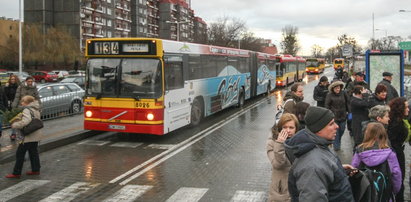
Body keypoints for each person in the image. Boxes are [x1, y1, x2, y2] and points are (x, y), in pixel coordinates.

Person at [284, 106, 354, 201]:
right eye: (331, 124)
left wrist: (337, 169)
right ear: (319, 129)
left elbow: (322, 165)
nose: (336, 126)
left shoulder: (318, 144)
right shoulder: (312, 166)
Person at [351, 122, 402, 196]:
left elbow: (353, 169)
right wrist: (394, 191)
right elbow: (396, 173)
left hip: (365, 193)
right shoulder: (390, 153)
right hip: (384, 193)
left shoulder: (360, 151)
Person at [5, 95, 43, 178]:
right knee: (33, 153)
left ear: (28, 103)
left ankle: (16, 173)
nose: (21, 103)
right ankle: (36, 170)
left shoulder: (27, 109)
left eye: (23, 101)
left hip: (28, 136)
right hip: (35, 134)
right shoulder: (36, 108)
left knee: (20, 154)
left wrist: (15, 124)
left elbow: (26, 121)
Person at [266, 113, 299, 202]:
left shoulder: (300, 142)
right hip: (281, 190)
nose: (288, 130)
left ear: (296, 129)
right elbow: (278, 164)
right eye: (285, 127)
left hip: (298, 187)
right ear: (280, 128)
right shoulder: (272, 143)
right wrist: (279, 144)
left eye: (291, 128)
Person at [387, 97, 409, 202]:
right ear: (400, 108)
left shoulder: (396, 120)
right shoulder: (397, 124)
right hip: (397, 153)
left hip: (397, 151)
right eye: (406, 107)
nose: (408, 109)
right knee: (399, 179)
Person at [325, 81, 350, 151]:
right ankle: (336, 146)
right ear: (333, 88)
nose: (337, 89)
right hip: (334, 116)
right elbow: (327, 105)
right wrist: (329, 115)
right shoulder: (329, 95)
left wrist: (350, 112)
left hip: (343, 115)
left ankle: (337, 141)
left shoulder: (344, 93)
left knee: (342, 129)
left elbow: (348, 102)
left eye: (338, 88)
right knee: (336, 131)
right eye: (336, 88)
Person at [4, 74, 21, 140]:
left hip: (18, 105)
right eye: (11, 79)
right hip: (11, 105)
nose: (12, 80)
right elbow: (5, 95)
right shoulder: (8, 86)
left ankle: (19, 133)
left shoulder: (19, 87)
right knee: (13, 120)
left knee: (19, 120)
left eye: (14, 79)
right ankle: (13, 134)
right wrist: (6, 87)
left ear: (16, 80)